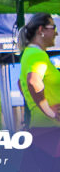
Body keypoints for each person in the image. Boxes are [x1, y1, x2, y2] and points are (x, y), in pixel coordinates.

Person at [18, 13, 60, 162]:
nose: (56, 32)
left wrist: (35, 104)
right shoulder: (38, 54)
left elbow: (20, 83)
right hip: (51, 132)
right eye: (53, 27)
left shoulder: (28, 53)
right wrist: (49, 111)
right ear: (41, 30)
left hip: (41, 130)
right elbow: (33, 81)